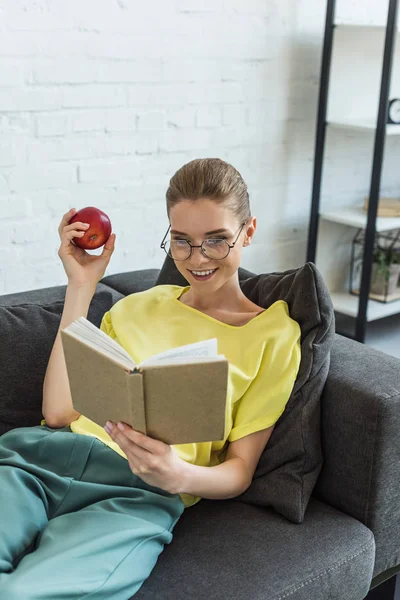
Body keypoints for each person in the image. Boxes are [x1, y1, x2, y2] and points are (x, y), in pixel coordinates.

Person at [0, 158, 301, 599]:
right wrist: (81, 287)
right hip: (40, 462)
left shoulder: (274, 335)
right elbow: (59, 411)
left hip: (137, 496)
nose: (197, 260)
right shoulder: (138, 306)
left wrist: (178, 475)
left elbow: (239, 472)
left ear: (248, 232)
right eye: (182, 242)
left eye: (216, 241)